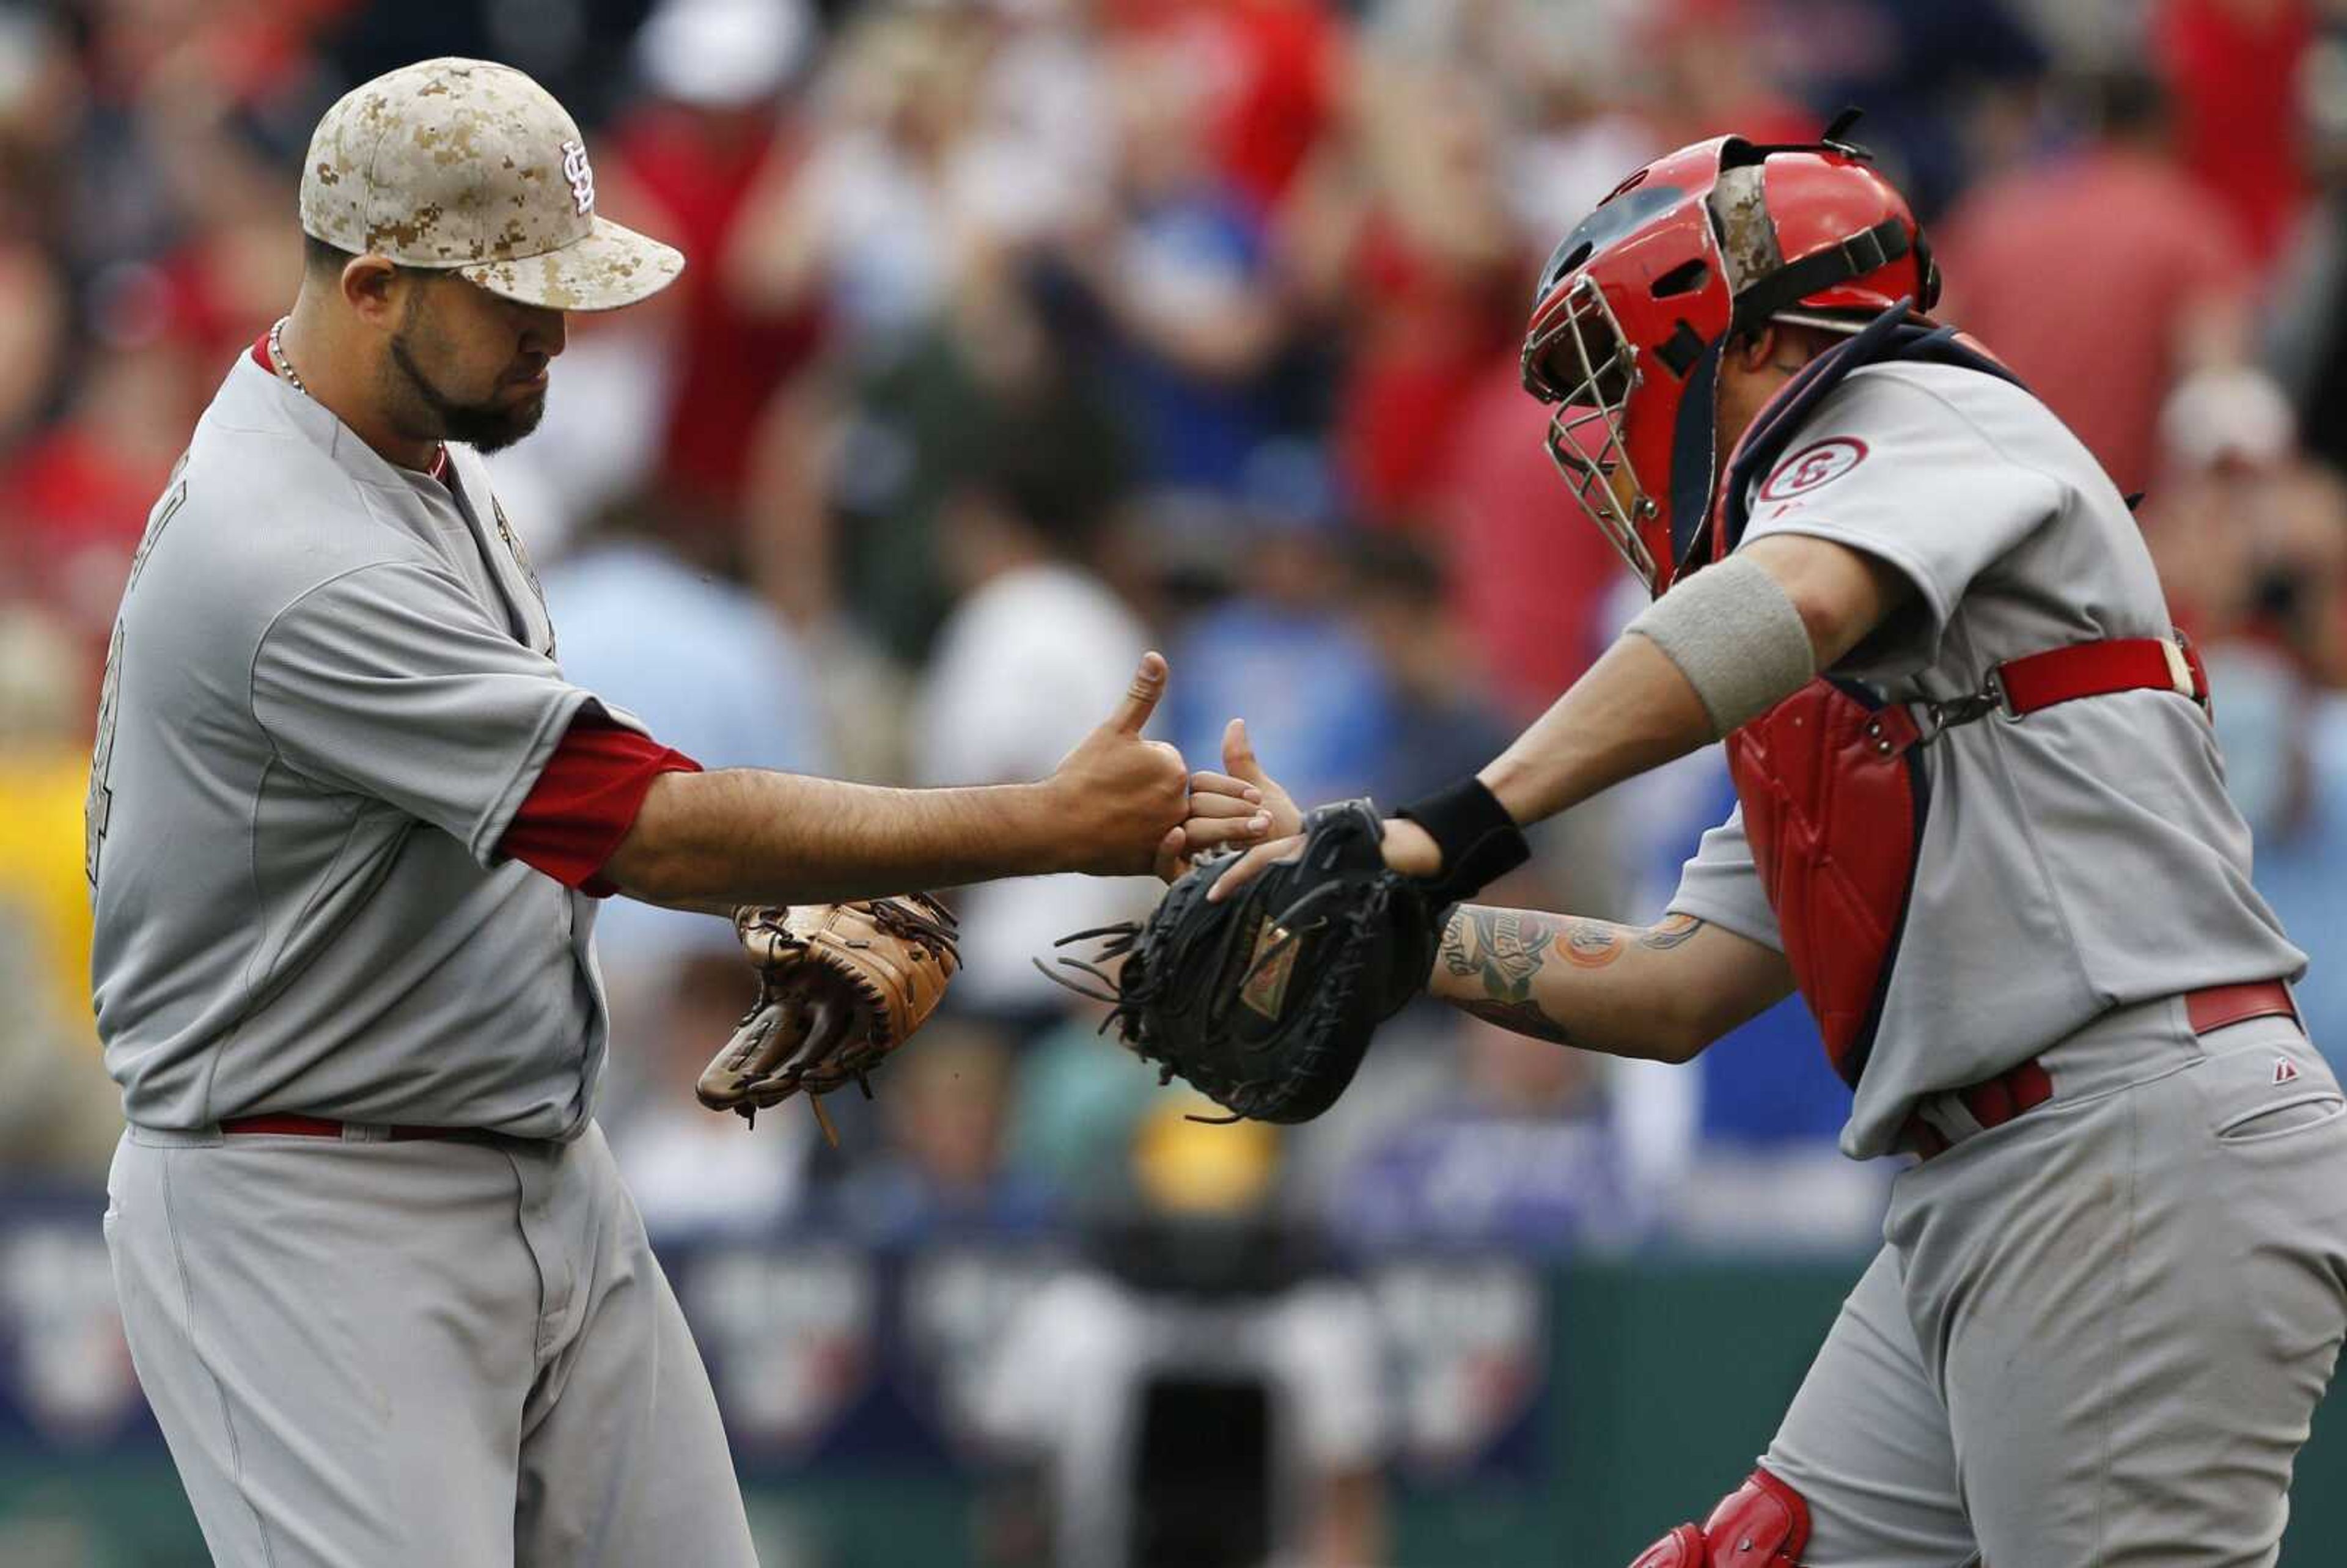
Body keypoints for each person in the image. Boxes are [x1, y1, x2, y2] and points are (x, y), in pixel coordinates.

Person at [87, 57, 1247, 1567]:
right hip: (308, 1202)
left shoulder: (414, 457)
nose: (557, 336)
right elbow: (647, 829)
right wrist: (1050, 820)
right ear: (372, 285)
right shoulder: (286, 548)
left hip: (530, 1154)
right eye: (514, 300)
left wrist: (803, 896)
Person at [1214, 123, 2344, 1564]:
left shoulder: (1909, 403)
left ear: (1738, 337)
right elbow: (1677, 983)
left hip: (2128, 1133)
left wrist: (1448, 829)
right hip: (2010, 1170)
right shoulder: (1838, 640)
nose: (1605, 436)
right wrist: (1387, 930)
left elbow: (1784, 598)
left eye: (1618, 374)